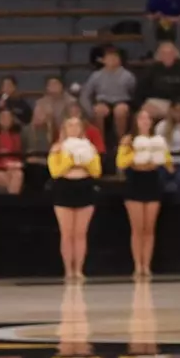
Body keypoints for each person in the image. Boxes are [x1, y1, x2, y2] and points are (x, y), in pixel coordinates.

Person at [118, 105, 174, 279]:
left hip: (152, 183)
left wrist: (159, 160)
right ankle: (137, 265)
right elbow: (121, 163)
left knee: (149, 228)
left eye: (147, 118)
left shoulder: (157, 141)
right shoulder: (128, 140)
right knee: (137, 228)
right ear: (136, 121)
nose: (145, 121)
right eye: (141, 118)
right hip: (135, 182)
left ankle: (147, 265)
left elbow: (169, 165)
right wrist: (134, 156)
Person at [49, 114, 102, 280]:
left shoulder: (89, 148)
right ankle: (68, 270)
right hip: (64, 188)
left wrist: (85, 162)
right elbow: (55, 172)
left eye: (76, 125)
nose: (73, 128)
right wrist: (71, 161)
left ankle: (79, 269)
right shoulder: (57, 148)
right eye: (69, 125)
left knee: (80, 233)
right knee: (67, 233)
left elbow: (96, 171)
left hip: (84, 187)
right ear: (64, 129)